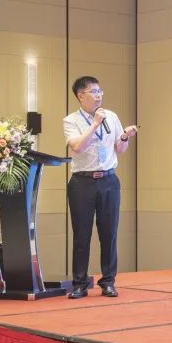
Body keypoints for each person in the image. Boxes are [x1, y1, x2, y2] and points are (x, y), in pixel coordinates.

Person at [63, 76, 138, 299]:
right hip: (82, 182)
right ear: (80, 96)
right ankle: (80, 284)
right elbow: (77, 146)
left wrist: (124, 136)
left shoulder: (111, 116)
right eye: (94, 92)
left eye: (100, 91)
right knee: (81, 234)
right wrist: (95, 124)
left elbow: (119, 149)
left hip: (109, 181)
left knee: (109, 233)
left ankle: (108, 282)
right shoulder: (71, 120)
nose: (99, 96)